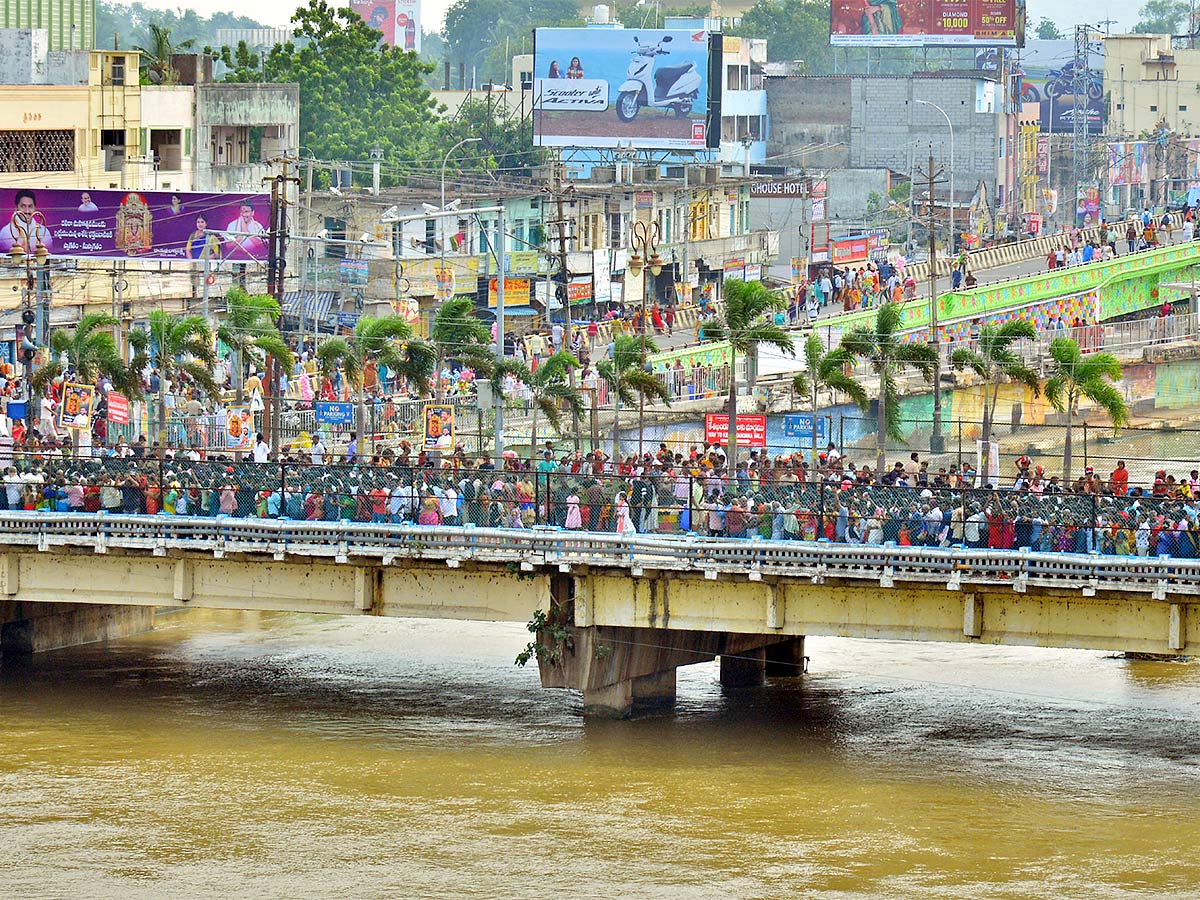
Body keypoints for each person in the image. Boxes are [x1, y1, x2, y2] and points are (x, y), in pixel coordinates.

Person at [0, 189, 53, 255]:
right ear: (16, 208)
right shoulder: (6, 232)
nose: (27, 211)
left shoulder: (44, 232)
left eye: (30, 206)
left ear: (35, 208)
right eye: (23, 206)